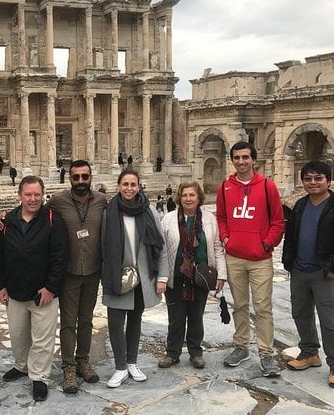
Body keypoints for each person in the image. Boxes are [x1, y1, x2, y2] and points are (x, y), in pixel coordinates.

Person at [282, 161, 334, 389]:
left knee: (329, 321)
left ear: (328, 180)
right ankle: (309, 353)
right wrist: (289, 261)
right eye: (308, 178)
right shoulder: (299, 205)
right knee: (301, 314)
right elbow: (291, 235)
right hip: (299, 271)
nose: (313, 182)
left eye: (318, 178)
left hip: (324, 274)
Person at [0, 176, 69, 402]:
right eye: (28, 194)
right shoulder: (8, 221)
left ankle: (39, 377)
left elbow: (60, 257)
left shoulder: (53, 220)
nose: (33, 199)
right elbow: (1, 255)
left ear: (43, 194)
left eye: (37, 194)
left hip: (42, 293)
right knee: (18, 335)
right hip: (15, 290)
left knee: (42, 339)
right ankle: (22, 365)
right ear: (20, 195)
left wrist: (51, 287)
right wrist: (1, 284)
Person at [216, 141, 285, 377]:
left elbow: (278, 221)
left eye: (245, 157)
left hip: (260, 259)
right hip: (234, 256)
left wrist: (267, 243)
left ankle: (266, 353)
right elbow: (222, 218)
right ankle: (241, 345)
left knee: (263, 306)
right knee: (240, 305)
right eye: (237, 157)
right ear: (232, 160)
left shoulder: (268, 186)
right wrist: (226, 238)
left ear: (253, 159)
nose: (241, 161)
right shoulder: (225, 186)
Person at [101, 169, 168, 388]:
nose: (129, 188)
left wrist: (162, 277)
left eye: (133, 184)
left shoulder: (148, 210)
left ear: (139, 186)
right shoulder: (108, 212)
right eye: (125, 184)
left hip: (141, 276)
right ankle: (120, 367)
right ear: (118, 186)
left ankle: (132, 362)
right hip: (117, 275)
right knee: (115, 322)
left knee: (135, 320)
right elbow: (101, 246)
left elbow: (160, 245)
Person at [48, 160, 107, 393]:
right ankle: (68, 368)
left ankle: (83, 361)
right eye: (76, 177)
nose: (81, 181)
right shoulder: (57, 202)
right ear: (69, 178)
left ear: (91, 177)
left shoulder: (102, 201)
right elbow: (34, 215)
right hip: (69, 272)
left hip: (93, 269)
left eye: (85, 176)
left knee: (87, 320)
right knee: (68, 323)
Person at [158, 181, 226, 369]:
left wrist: (221, 274)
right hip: (177, 275)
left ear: (198, 198)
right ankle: (172, 353)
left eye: (192, 195)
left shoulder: (209, 219)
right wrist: (162, 277)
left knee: (196, 315)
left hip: (200, 275)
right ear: (180, 197)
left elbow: (218, 247)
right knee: (176, 317)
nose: (188, 199)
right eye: (185, 195)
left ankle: (196, 352)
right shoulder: (169, 219)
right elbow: (162, 250)